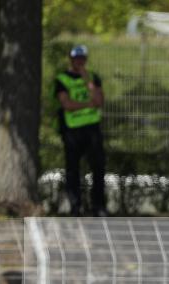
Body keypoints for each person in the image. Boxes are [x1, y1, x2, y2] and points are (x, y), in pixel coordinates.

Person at [55, 44, 107, 217]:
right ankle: (75, 206)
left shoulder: (92, 78)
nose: (80, 62)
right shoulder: (62, 79)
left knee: (98, 168)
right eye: (76, 58)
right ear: (71, 59)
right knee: (73, 169)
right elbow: (67, 104)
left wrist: (88, 82)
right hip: (72, 130)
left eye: (82, 59)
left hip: (92, 129)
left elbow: (99, 100)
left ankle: (98, 206)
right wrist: (86, 105)